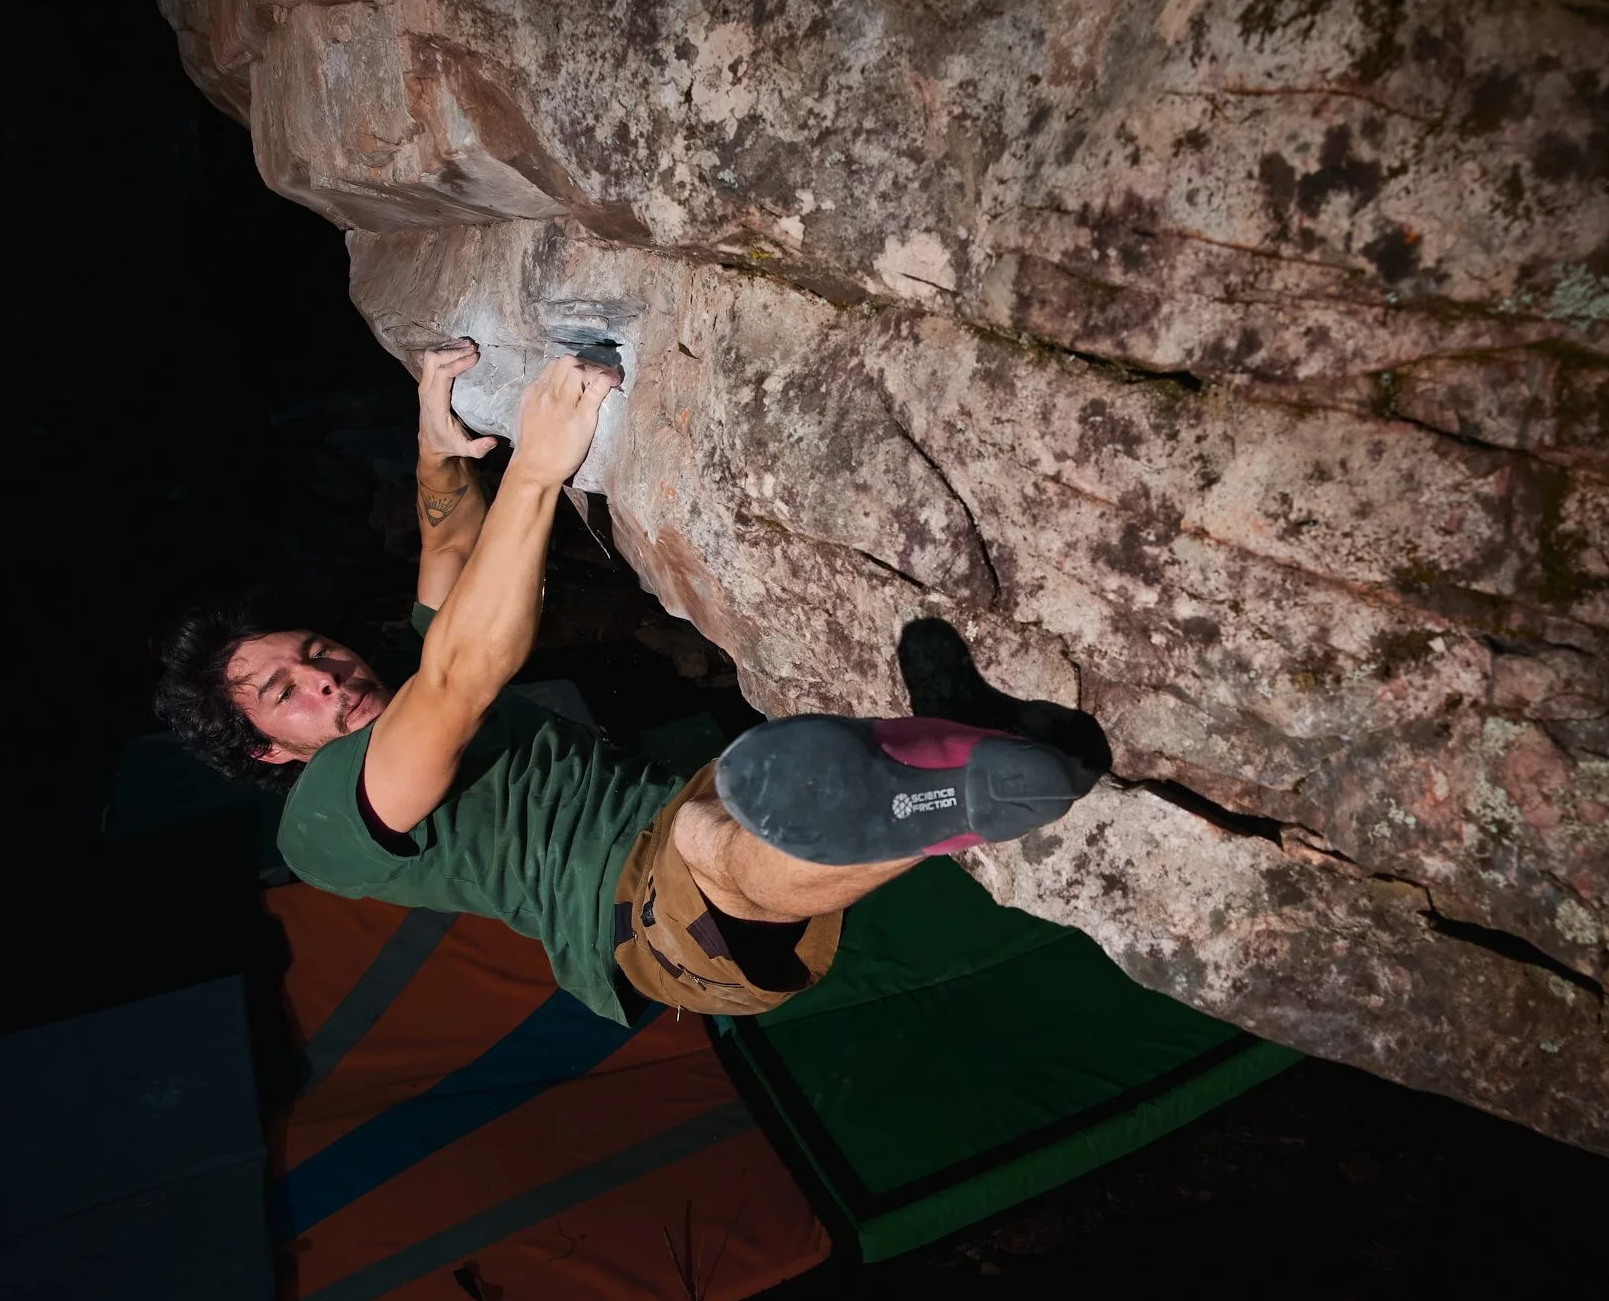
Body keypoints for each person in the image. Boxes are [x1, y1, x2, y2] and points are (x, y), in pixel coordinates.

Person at [153, 339, 1100, 1024]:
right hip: (636, 920)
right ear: (270, 749)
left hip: (682, 815)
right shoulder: (322, 817)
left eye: (316, 651)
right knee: (714, 834)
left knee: (736, 799)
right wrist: (539, 465)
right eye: (285, 694)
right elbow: (461, 679)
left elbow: (447, 545)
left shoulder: (403, 669)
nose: (325, 680)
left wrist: (435, 433)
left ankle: (956, 792)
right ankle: (877, 803)